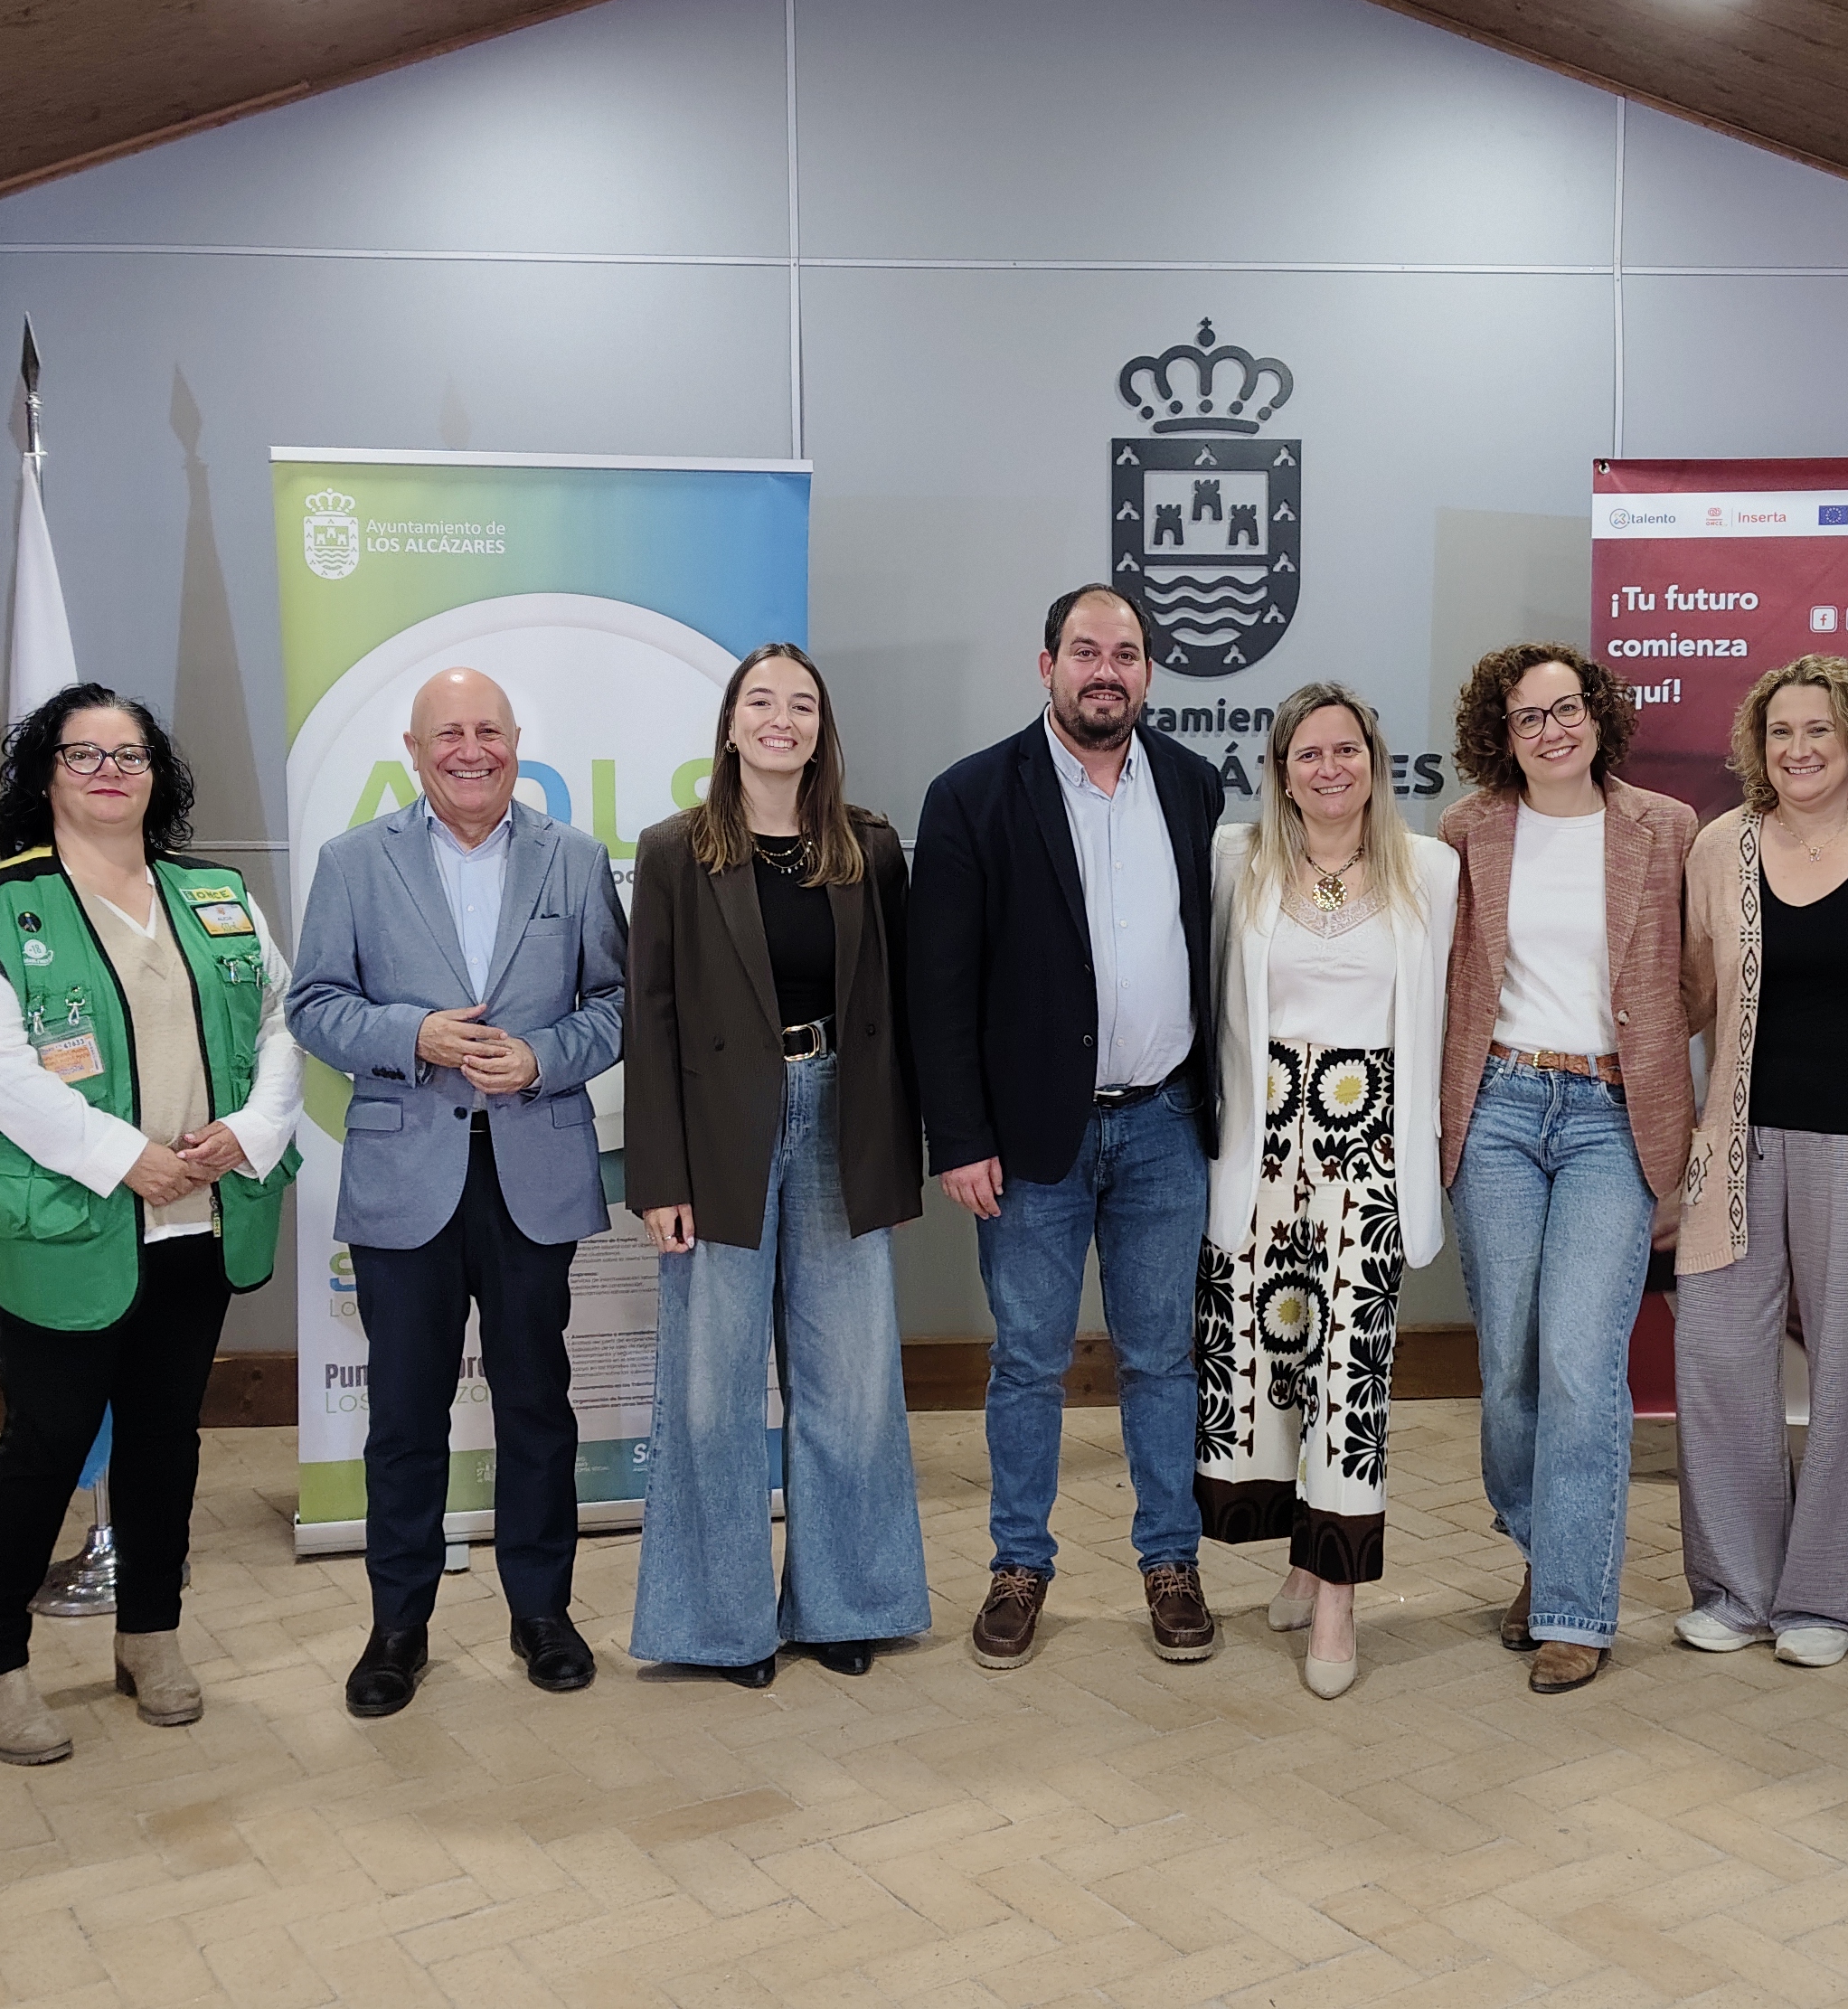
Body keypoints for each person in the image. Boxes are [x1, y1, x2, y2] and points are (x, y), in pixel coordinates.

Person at [0, 684, 302, 1765]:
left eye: (128, 754)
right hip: (72, 1222)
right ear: (43, 774)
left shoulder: (216, 894)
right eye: (81, 754)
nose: (107, 772)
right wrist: (118, 1157)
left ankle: (150, 1634)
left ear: (157, 774)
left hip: (200, 1216)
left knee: (163, 1439)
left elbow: (281, 1018)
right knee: (42, 1446)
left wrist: (252, 1126)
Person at [288, 669, 629, 1719]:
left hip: (534, 1172)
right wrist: (411, 1036)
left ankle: (543, 1613)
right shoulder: (353, 862)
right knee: (403, 1416)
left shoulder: (572, 859)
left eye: (488, 730)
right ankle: (398, 1628)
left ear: (517, 742)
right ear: (413, 746)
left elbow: (617, 1002)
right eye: (450, 732)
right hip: (405, 1177)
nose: (469, 748)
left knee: (536, 1405)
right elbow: (311, 1006)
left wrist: (542, 1058)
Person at [910, 583, 1226, 1671]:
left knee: (1161, 1359)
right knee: (1027, 1363)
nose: (1106, 671)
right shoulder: (970, 797)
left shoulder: (1190, 784)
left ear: (1149, 670)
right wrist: (956, 1135)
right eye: (1085, 651)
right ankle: (1018, 1566)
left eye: (1126, 653)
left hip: (1164, 1128)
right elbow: (937, 987)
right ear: (1042, 664)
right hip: (1028, 1140)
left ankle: (1170, 1561)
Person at [626, 645, 929, 1688]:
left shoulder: (869, 850)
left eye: (801, 705)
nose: (780, 720)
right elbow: (651, 1019)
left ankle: (846, 1604)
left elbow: (898, 1014)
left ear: (820, 730)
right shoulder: (673, 852)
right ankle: (720, 1626)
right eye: (762, 701)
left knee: (849, 1383)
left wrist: (903, 1148)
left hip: (842, 1118)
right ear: (730, 724)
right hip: (717, 1132)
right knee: (710, 1393)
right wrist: (658, 1174)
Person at [1670, 657, 1848, 1670]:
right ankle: (1737, 1590)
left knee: (1846, 1376)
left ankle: (1825, 1602)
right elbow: (1690, 996)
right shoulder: (1719, 847)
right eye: (1780, 731)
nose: (1797, 750)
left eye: (1819, 732)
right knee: (1716, 1364)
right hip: (1739, 1142)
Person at [1437, 644, 1698, 1693]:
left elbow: (1701, 976)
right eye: (1527, 717)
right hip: (1496, 1109)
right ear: (1500, 736)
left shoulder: (1664, 828)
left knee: (1584, 1365)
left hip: (1609, 1118)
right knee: (1508, 1363)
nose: (1553, 730)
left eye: (1568, 708)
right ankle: (1546, 1548)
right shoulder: (1466, 831)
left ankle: (1575, 1607)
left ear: (1600, 715)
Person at [1199, 683, 1459, 1700]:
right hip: (1263, 1152)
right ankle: (1299, 1559)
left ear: (1373, 760)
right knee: (1278, 1362)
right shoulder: (1241, 863)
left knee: (1353, 1375)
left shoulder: (1427, 870)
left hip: (1368, 1153)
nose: (1328, 769)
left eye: (1344, 750)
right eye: (1307, 754)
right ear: (1280, 770)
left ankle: (1341, 1595)